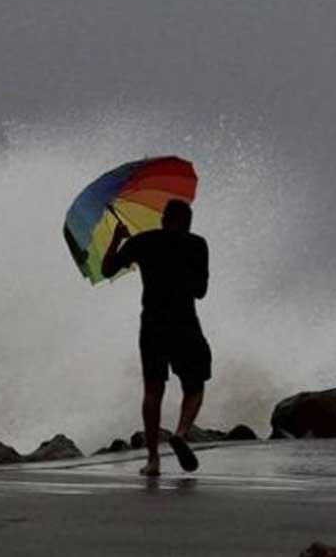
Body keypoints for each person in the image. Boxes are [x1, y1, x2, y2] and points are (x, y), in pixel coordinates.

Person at [102, 199, 211, 477]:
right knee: (195, 384)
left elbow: (107, 270)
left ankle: (153, 460)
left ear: (163, 219)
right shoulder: (197, 244)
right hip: (185, 321)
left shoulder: (143, 242)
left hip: (152, 324)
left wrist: (117, 240)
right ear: (187, 222)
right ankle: (182, 432)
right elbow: (201, 291)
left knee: (153, 389)